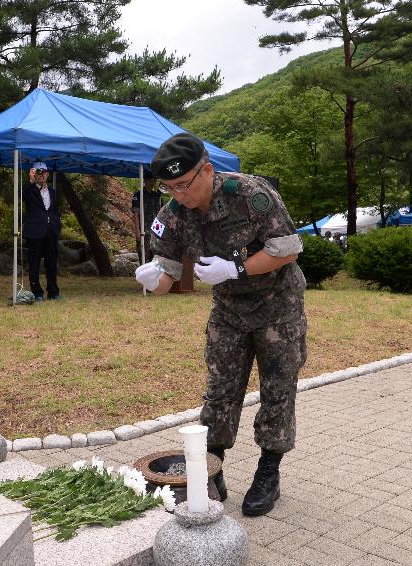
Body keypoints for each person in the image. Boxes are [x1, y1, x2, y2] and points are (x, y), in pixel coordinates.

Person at [134, 133, 307, 517]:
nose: (178, 194)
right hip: (229, 311)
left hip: (278, 305)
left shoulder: (249, 195)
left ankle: (269, 472)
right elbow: (167, 278)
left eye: (184, 185)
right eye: (169, 187)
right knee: (220, 390)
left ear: (207, 170)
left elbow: (287, 248)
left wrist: (236, 268)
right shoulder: (171, 217)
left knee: (278, 387)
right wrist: (153, 280)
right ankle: (211, 470)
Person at [23, 161, 61, 301]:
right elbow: (24, 197)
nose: (41, 175)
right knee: (34, 263)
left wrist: (57, 224)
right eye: (38, 172)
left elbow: (55, 210)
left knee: (51, 262)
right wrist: (31, 182)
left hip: (51, 231)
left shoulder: (52, 191)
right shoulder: (29, 189)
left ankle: (53, 291)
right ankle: (37, 292)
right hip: (34, 232)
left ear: (47, 174)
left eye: (43, 172)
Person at [131, 171, 162, 265]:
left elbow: (160, 214)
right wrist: (137, 231)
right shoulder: (138, 195)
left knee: (156, 258)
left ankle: (154, 278)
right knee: (144, 257)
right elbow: (135, 213)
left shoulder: (156, 195)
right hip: (144, 231)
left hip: (156, 230)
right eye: (151, 181)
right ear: (145, 181)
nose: (153, 183)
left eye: (154, 181)